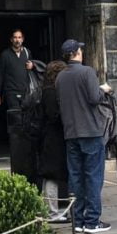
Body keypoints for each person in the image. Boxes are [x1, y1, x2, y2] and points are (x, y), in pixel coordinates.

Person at [56, 39, 112, 234]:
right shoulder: (87, 72)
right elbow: (94, 98)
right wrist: (103, 90)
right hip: (90, 130)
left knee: (76, 177)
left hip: (71, 132)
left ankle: (78, 220)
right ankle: (92, 221)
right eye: (80, 49)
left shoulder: (60, 76)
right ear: (76, 53)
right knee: (94, 176)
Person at [0, 29, 36, 183]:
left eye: (20, 38)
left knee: (27, 119)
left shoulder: (27, 52)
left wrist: (33, 66)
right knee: (15, 120)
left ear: (23, 39)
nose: (17, 40)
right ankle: (15, 147)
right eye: (15, 38)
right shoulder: (5, 55)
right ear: (11, 40)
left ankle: (25, 147)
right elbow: (0, 74)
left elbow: (32, 70)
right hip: (11, 92)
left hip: (26, 91)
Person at [39, 60, 69, 223]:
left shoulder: (48, 89)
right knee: (52, 174)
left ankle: (50, 210)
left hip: (49, 136)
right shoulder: (50, 92)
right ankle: (52, 213)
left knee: (50, 175)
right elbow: (53, 115)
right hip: (53, 137)